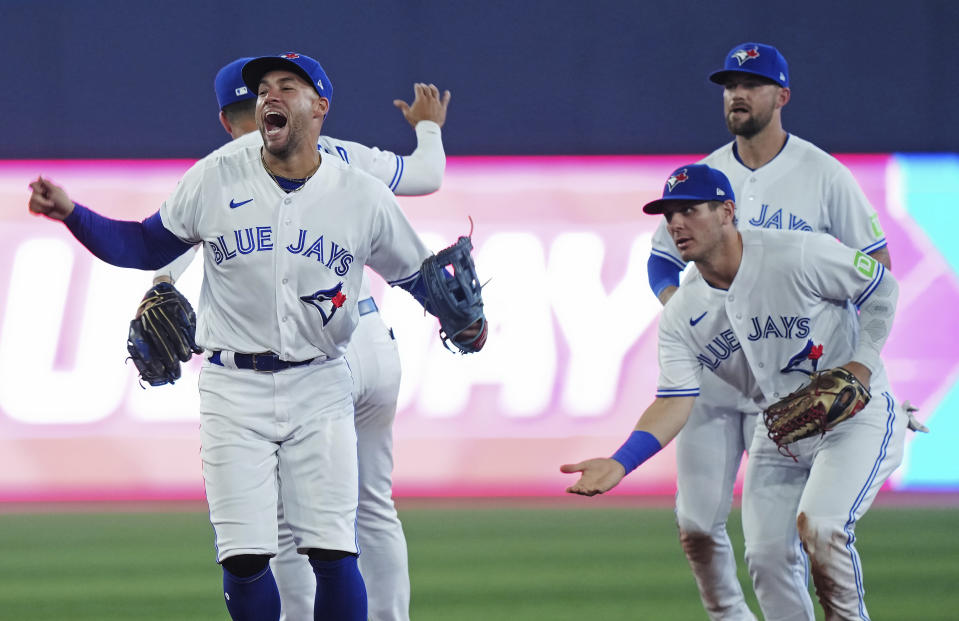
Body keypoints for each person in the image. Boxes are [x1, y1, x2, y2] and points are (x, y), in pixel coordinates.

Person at [28, 52, 479, 621]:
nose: (269, 97)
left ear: (320, 106)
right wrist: (73, 213)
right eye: (261, 90)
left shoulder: (356, 185)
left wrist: (464, 321)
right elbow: (147, 246)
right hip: (233, 385)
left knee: (334, 547)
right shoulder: (217, 176)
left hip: (323, 374)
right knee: (248, 556)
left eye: (286, 87)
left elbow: (417, 274)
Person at [151, 56, 451, 621]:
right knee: (370, 509)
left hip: (310, 358)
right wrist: (428, 128)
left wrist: (161, 284)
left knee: (289, 522)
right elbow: (427, 176)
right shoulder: (341, 154)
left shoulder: (228, 170)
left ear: (223, 121)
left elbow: (180, 249)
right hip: (370, 343)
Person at [563, 163, 906, 620]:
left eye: (689, 210)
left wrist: (862, 364)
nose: (676, 224)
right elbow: (674, 401)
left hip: (855, 417)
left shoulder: (797, 252)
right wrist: (621, 461)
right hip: (781, 429)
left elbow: (882, 289)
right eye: (669, 215)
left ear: (727, 211)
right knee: (765, 559)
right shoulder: (682, 313)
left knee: (821, 527)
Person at [645, 42, 895, 620]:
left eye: (751, 83)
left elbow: (875, 270)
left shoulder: (823, 174)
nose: (737, 93)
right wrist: (690, 312)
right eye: (730, 83)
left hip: (800, 376)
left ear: (781, 96)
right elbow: (661, 261)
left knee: (796, 536)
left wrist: (861, 360)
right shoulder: (705, 177)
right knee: (699, 527)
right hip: (724, 372)